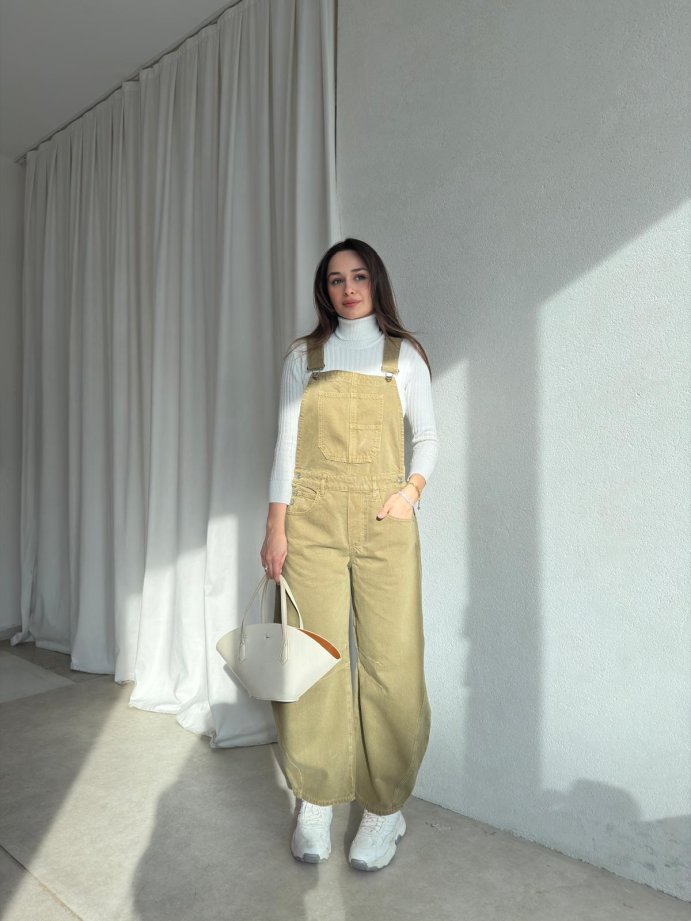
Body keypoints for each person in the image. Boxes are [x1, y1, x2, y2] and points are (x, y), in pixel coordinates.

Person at [260, 238, 439, 871]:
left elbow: (427, 437)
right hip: (309, 523)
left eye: (359, 276)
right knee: (311, 658)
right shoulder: (303, 358)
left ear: (375, 282)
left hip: (384, 522)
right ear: (325, 290)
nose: (349, 289)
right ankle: (315, 798)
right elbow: (285, 446)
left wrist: (409, 494)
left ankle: (386, 808)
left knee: (393, 663)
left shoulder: (402, 356)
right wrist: (276, 528)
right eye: (336, 279)